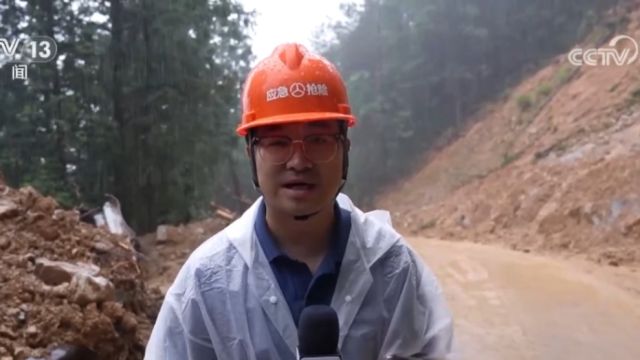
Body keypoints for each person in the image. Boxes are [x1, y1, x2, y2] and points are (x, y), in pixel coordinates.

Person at [145, 43, 454, 360]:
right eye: (277, 143)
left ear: (344, 149)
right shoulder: (207, 278)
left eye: (318, 140)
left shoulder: (392, 267)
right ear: (251, 153)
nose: (298, 161)